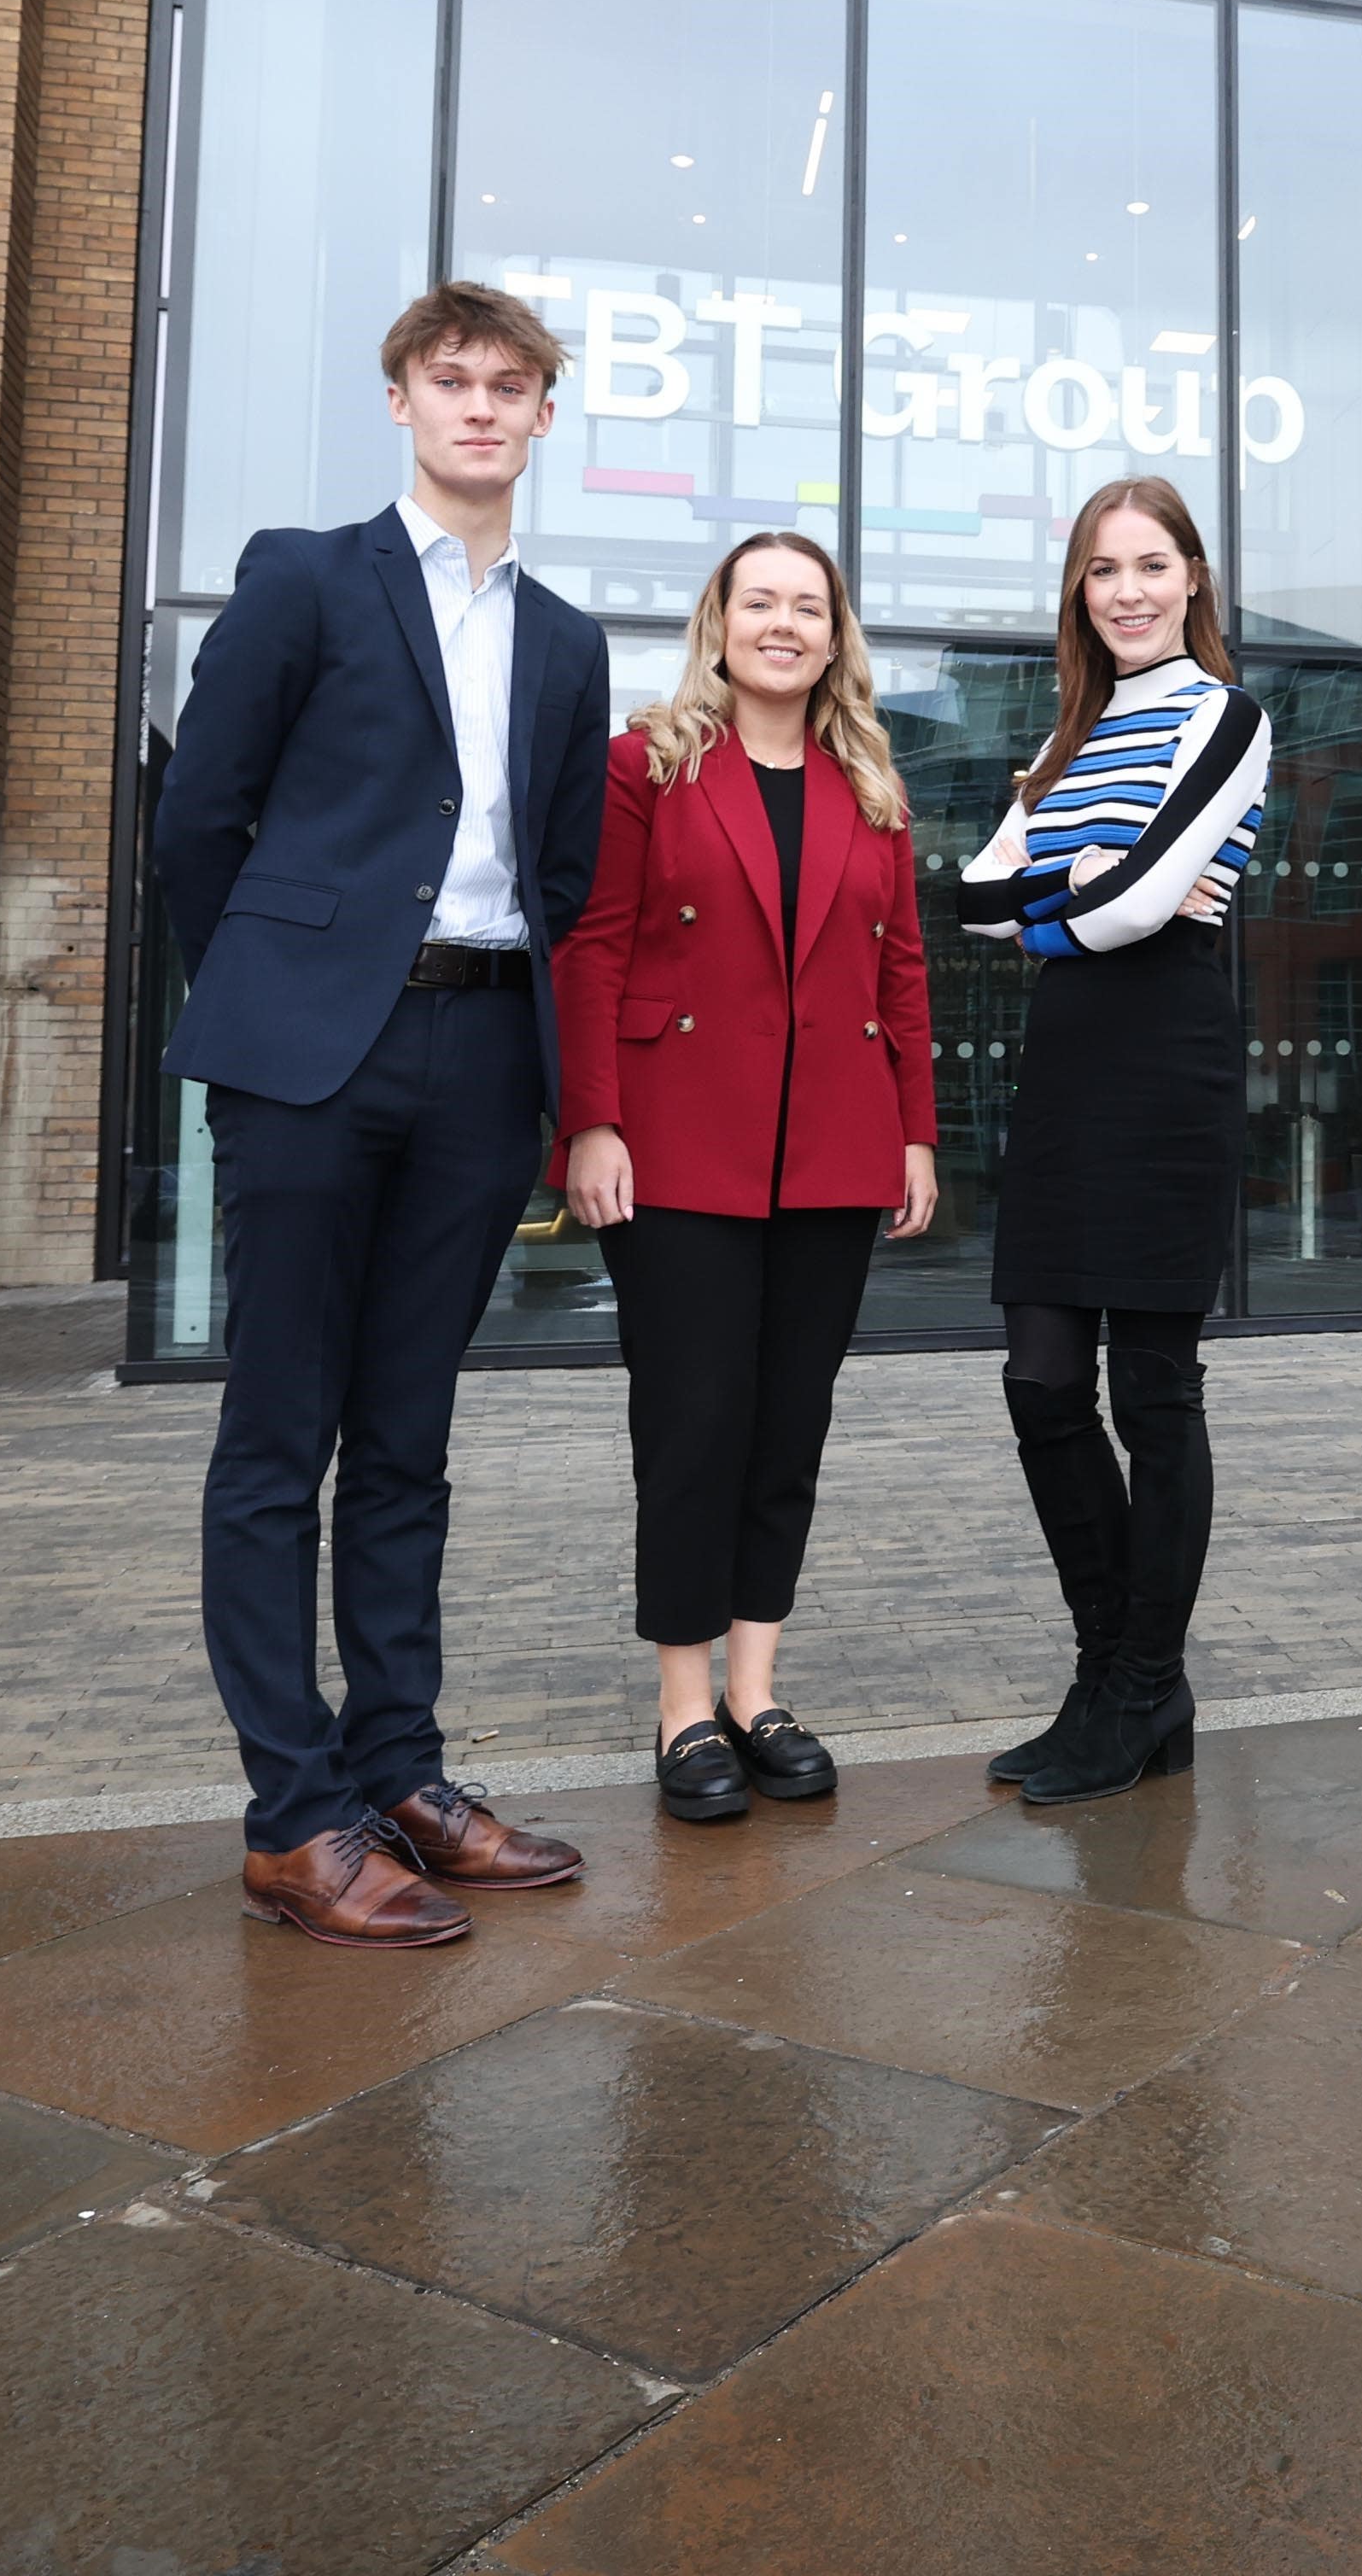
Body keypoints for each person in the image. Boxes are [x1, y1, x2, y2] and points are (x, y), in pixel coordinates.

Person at [156, 282, 613, 1948]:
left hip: (485, 1058)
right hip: (314, 1061)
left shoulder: (566, 638)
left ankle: (399, 1770)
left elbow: (563, 873)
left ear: (543, 416)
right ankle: (295, 1815)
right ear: (404, 400)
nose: (481, 406)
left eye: (511, 385)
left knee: (409, 1436)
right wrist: (284, 1000)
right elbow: (198, 818)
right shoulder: (304, 574)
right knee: (282, 1436)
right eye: (452, 379)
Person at [557, 531, 941, 1826]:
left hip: (832, 1150)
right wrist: (590, 1126)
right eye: (760, 601)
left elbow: (903, 979)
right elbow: (593, 952)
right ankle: (680, 1703)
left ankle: (756, 1690)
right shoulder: (646, 766)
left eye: (808, 606)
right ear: (720, 620)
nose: (784, 624)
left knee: (789, 1430)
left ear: (837, 637)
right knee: (693, 1428)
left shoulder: (870, 787)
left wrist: (915, 1134)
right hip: (677, 1148)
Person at [953, 476, 1270, 1808]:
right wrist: (1083, 896)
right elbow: (970, 896)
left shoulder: (1227, 717)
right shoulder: (1065, 743)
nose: (1128, 590)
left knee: (1153, 1388)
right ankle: (1110, 1676)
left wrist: (1070, 898)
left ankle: (1145, 1689)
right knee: (1038, 1382)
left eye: (1151, 564)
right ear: (1078, 596)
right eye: (1101, 571)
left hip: (1165, 1057)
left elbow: (1140, 909)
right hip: (1069, 1059)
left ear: (1193, 578)